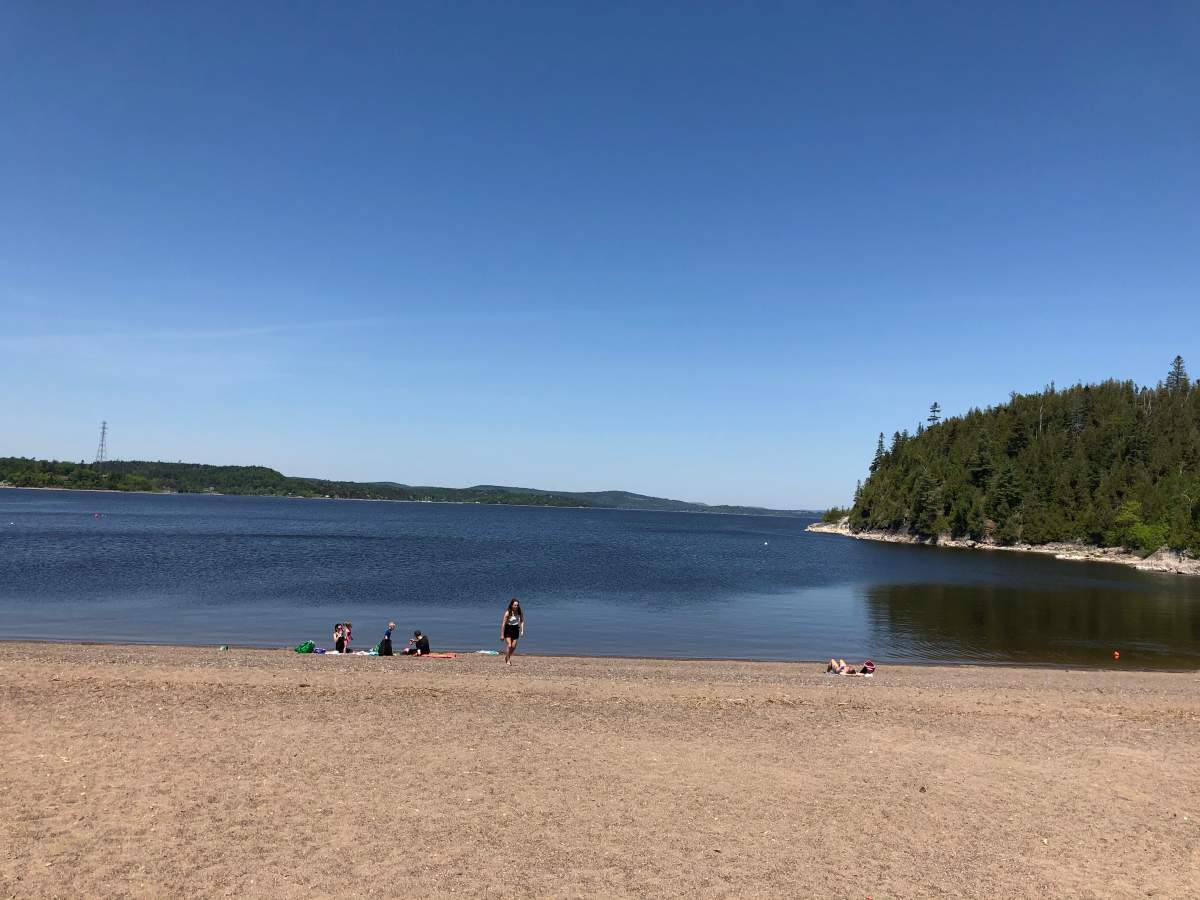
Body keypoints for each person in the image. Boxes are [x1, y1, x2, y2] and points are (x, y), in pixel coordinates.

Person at [500, 598, 524, 665]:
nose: (516, 606)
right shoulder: (508, 612)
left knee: (513, 646)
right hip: (508, 628)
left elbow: (522, 621)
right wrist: (502, 634)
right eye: (515, 605)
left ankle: (507, 657)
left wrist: (522, 630)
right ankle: (508, 660)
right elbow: (503, 624)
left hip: (516, 628)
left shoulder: (519, 611)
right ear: (512, 605)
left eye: (517, 605)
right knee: (509, 645)